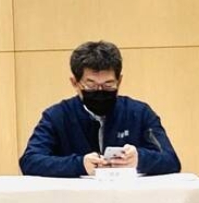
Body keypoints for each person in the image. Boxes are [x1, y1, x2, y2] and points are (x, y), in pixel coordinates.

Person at [20, 40, 180, 177]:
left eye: (108, 85)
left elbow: (171, 160)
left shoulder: (139, 113)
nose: (100, 91)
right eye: (91, 85)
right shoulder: (57, 116)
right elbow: (30, 161)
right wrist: (79, 165)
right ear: (75, 83)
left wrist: (140, 159)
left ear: (119, 81)